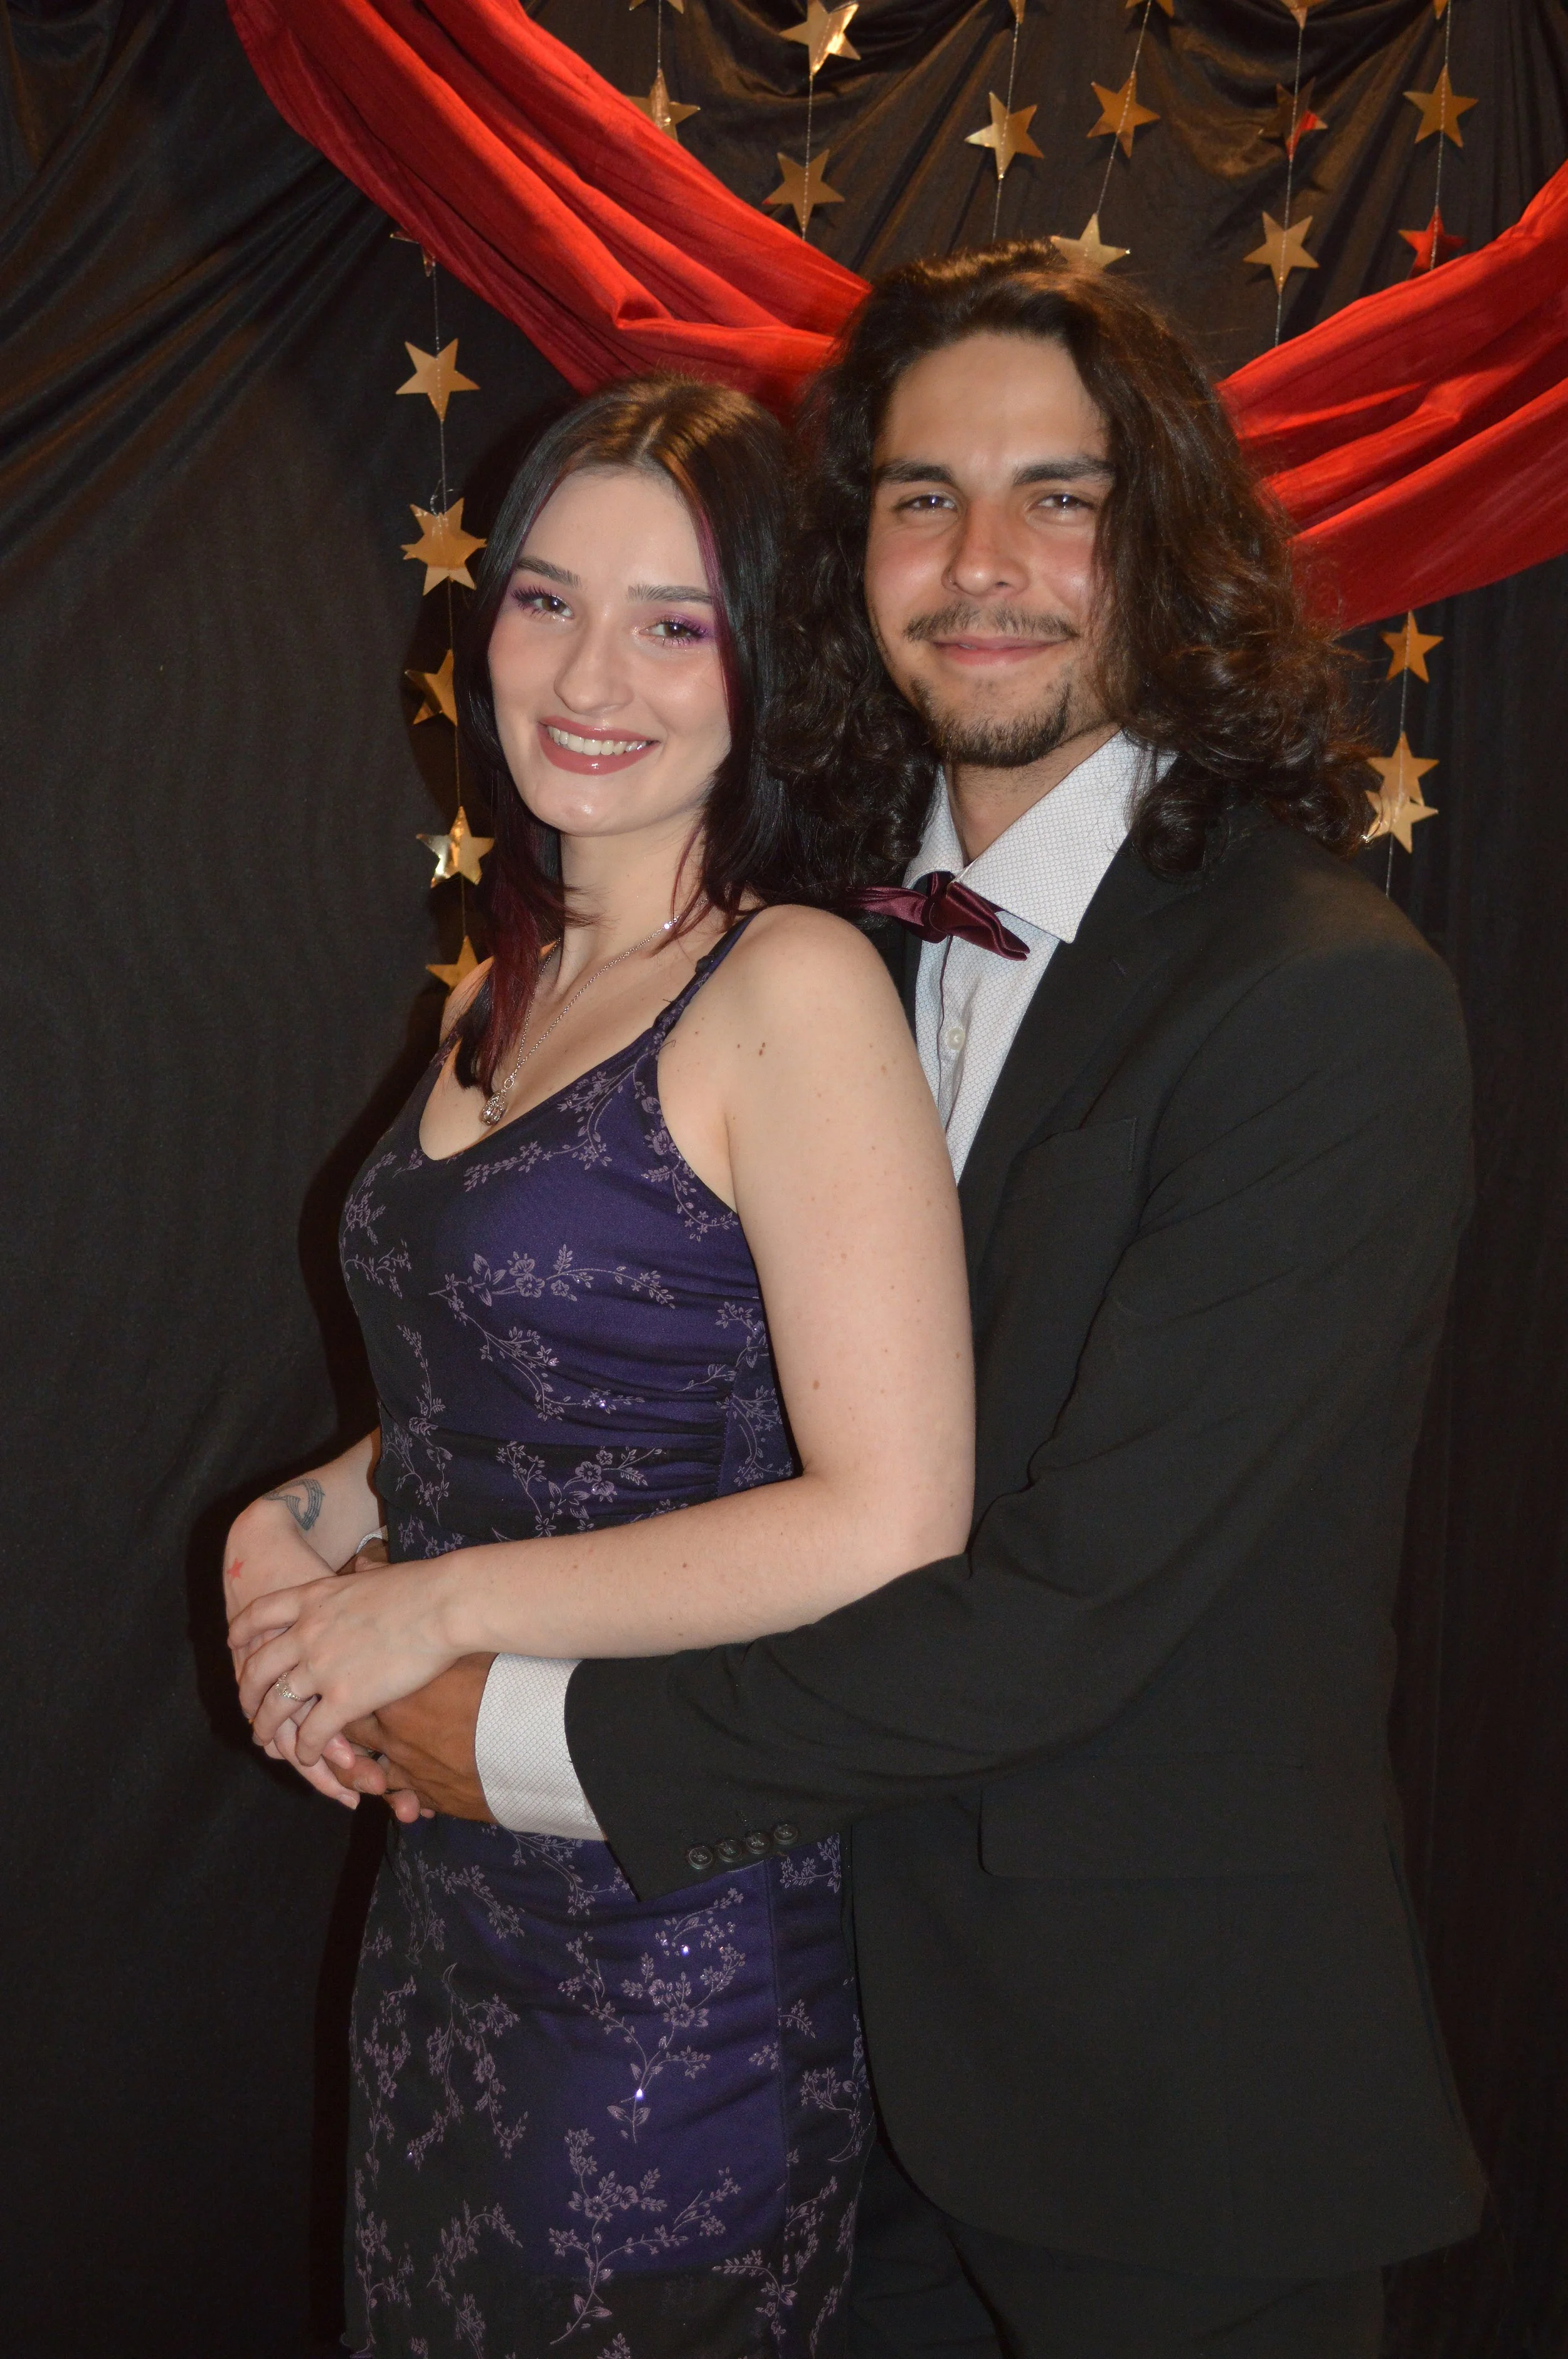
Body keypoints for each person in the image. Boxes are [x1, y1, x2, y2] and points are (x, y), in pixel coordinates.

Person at [315, 248, 1488, 2358]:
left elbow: (1062, 1609)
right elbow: (710, 1363)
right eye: (920, 498)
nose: (985, 563)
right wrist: (345, 1500)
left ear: (1176, 546)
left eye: (1066, 495)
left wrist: (513, 1725)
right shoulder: (829, 930)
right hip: (832, 2075)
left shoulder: (1316, 1003)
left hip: (1156, 2115)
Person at [223, 375, 974, 2358]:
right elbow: (511, 1382)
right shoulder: (522, 975)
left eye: (674, 621)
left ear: (767, 662)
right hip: (455, 1909)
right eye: (547, 600)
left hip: (674, 1963)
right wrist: (293, 1525)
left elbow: (894, 1512)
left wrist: (427, 1608)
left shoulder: (788, 983)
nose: (588, 674)